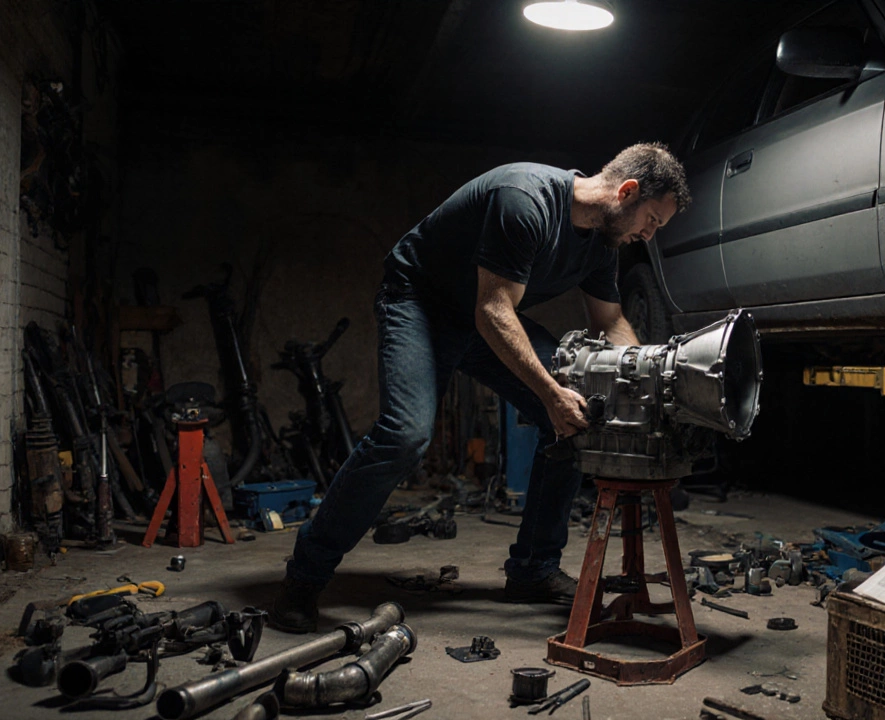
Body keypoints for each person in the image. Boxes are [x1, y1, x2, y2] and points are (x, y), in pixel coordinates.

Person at [270, 143, 691, 633]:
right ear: (627, 191)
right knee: (404, 436)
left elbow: (610, 319)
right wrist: (550, 395)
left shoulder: (603, 240)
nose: (648, 234)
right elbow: (492, 310)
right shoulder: (525, 198)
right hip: (420, 304)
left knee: (579, 418)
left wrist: (645, 380)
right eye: (653, 220)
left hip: (485, 316)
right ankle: (303, 578)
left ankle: (532, 571)